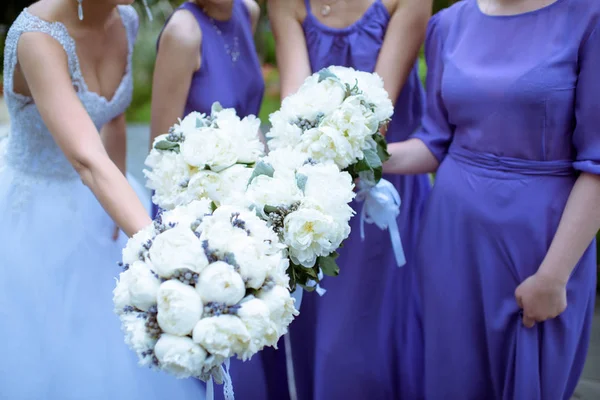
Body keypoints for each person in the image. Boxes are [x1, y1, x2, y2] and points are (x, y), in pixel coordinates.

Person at [383, 0, 600, 398]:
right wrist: (354, 157)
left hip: (541, 244)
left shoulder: (589, 17)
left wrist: (554, 277)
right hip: (450, 239)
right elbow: (435, 142)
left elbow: (597, 164)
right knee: (450, 379)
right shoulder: (447, 24)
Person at [0, 0, 204, 398]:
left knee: (117, 339)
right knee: (49, 352)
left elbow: (113, 116)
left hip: (105, 195)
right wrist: (163, 249)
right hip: (32, 218)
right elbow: (86, 159)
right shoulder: (36, 37)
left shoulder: (123, 19)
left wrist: (119, 216)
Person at [267, 0, 431, 398]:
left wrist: (321, 139)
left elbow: (380, 109)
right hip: (315, 199)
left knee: (374, 337)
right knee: (325, 338)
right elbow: (294, 96)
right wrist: (301, 146)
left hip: (384, 190)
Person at [150, 1, 279, 399]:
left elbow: (248, 116)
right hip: (195, 222)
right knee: (211, 351)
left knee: (251, 338)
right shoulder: (184, 34)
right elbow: (160, 153)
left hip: (246, 211)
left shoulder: (247, 11)